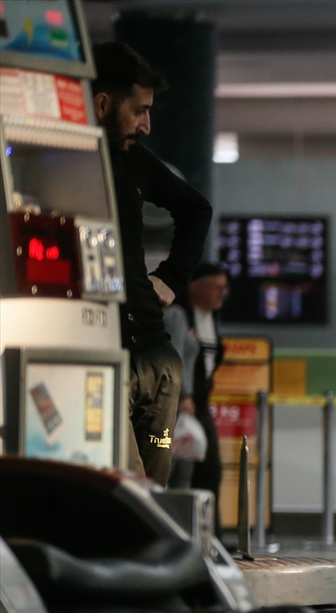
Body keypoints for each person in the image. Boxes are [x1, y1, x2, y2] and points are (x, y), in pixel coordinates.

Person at [92, 42, 213, 485]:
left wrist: (171, 278)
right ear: (103, 104)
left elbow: (196, 209)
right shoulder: (59, 160)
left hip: (158, 365)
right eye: (139, 110)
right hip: (108, 366)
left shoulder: (133, 161)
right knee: (134, 493)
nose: (146, 126)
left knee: (156, 496)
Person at [165, 262, 227, 510]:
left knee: (201, 472)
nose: (222, 293)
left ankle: (206, 535)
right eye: (217, 287)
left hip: (195, 405)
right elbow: (177, 357)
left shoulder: (211, 319)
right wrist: (185, 396)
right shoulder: (178, 316)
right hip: (182, 404)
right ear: (195, 287)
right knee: (178, 472)